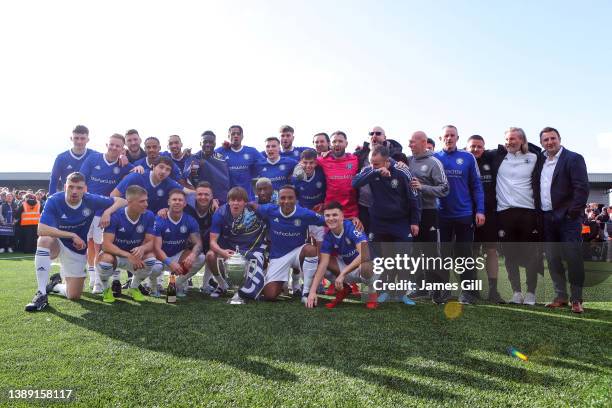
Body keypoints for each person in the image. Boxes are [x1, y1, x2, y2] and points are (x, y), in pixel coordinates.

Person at [25, 172, 127, 312]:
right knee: (44, 239)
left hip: (76, 249)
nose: (74, 191)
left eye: (79, 188)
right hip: (57, 242)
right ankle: (41, 293)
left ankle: (55, 286)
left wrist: (107, 212)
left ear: (84, 189)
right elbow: (41, 229)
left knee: (74, 295)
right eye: (71, 187)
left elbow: (122, 201)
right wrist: (71, 234)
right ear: (65, 187)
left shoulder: (91, 199)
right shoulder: (54, 200)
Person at [352, 144, 421, 305]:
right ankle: (384, 291)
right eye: (371, 163)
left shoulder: (402, 171)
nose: (372, 166)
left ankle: (402, 294)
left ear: (387, 161)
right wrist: (375, 171)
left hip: (401, 222)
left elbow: (414, 197)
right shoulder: (371, 169)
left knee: (402, 258)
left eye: (376, 164)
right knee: (383, 259)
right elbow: (355, 183)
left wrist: (415, 221)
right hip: (379, 222)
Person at [535, 127, 589, 313]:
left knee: (573, 257)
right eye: (546, 140)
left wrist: (572, 213)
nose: (550, 142)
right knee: (552, 258)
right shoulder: (540, 160)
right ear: (541, 143)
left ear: (559, 139)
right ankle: (560, 296)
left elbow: (581, 188)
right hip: (547, 217)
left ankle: (577, 299)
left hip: (568, 219)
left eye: (553, 138)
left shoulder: (573, 158)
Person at [434, 125, 485, 305]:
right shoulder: (434, 158)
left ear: (457, 138)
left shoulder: (468, 157)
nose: (449, 138)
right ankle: (442, 292)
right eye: (446, 136)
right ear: (440, 138)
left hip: (464, 214)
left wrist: (480, 210)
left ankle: (469, 293)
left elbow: (477, 186)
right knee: (442, 255)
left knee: (465, 254)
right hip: (441, 215)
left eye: (452, 135)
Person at [493, 128, 543, 305]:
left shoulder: (536, 157)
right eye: (506, 139)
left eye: (512, 139)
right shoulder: (498, 156)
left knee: (531, 255)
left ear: (522, 140)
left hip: (528, 212)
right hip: (504, 213)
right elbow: (477, 152)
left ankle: (531, 293)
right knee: (509, 255)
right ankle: (516, 293)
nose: (508, 142)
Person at [80, 133, 135, 293]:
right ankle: (91, 277)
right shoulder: (93, 159)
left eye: (118, 146)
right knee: (87, 245)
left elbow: (138, 171)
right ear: (106, 144)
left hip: (104, 213)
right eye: (112, 144)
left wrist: (135, 166)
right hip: (86, 211)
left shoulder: (124, 164)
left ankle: (98, 281)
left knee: (100, 247)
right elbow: (81, 181)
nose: (114, 147)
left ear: (122, 149)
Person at [252, 185, 324, 302]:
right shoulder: (270, 210)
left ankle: (305, 292)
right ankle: (282, 283)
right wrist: (245, 203)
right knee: (270, 295)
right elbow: (255, 206)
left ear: (296, 199)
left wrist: (349, 220)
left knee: (311, 250)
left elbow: (328, 221)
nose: (286, 201)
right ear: (278, 199)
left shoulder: (304, 213)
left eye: (290, 198)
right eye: (283, 198)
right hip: (278, 256)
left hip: (298, 253)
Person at [305, 201, 378, 309]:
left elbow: (365, 254)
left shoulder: (352, 227)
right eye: (327, 215)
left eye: (335, 215)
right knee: (321, 262)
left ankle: (371, 292)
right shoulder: (328, 237)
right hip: (350, 268)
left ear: (342, 216)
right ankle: (344, 289)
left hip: (370, 266)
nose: (331, 218)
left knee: (366, 266)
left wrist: (343, 273)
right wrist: (312, 292)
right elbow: (323, 264)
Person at [96, 185, 159, 303]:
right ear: (129, 202)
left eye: (146, 200)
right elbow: (106, 245)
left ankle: (133, 288)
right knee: (105, 261)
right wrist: (128, 255)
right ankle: (106, 289)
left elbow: (151, 242)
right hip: (115, 256)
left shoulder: (149, 215)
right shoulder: (115, 216)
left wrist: (143, 248)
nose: (146, 204)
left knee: (150, 259)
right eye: (142, 201)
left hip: (134, 257)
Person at [407, 131, 449, 299]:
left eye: (412, 142)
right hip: (411, 214)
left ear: (423, 143)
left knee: (431, 252)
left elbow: (445, 189)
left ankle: (439, 289)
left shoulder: (434, 162)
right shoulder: (408, 162)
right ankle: (421, 287)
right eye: (409, 142)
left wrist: (423, 187)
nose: (410, 145)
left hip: (429, 212)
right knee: (414, 252)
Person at [207, 187, 268, 301]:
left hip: (251, 249)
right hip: (229, 249)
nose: (235, 203)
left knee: (262, 258)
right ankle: (222, 285)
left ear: (245, 202)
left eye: (239, 200)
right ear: (228, 201)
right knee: (210, 255)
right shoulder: (220, 213)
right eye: (233, 200)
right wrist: (222, 252)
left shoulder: (254, 211)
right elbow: (212, 242)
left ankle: (253, 286)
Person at [465, 134, 504, 303]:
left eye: (479, 146)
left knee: (491, 251)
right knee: (471, 252)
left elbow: (503, 149)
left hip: (490, 214)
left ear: (484, 147)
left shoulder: (490, 159)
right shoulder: (462, 161)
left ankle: (493, 291)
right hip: (467, 214)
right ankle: (471, 290)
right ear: (466, 148)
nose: (476, 149)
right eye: (472, 146)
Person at [354, 126, 407, 234]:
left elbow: (407, 186)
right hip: (364, 205)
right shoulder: (360, 153)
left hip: (388, 210)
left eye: (378, 133)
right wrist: (327, 153)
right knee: (367, 240)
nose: (374, 136)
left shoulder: (398, 155)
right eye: (371, 133)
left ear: (385, 137)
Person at [152, 189, 206, 297]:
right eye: (174, 199)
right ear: (168, 202)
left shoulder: (190, 220)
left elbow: (198, 244)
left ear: (185, 203)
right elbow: (156, 248)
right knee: (154, 267)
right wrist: (169, 263)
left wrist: (192, 255)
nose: (177, 202)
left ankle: (175, 284)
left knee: (200, 258)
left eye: (180, 200)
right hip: (160, 257)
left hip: (178, 256)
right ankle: (153, 286)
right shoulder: (159, 220)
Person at [112, 156, 194, 215]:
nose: (163, 171)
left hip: (150, 221)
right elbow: (113, 195)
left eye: (167, 170)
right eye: (161, 167)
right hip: (127, 216)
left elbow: (189, 192)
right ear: (153, 167)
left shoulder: (168, 182)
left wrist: (204, 194)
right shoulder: (136, 176)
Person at [316, 131, 360, 220]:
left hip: (351, 213)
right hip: (331, 212)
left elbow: (374, 153)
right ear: (330, 144)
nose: (337, 144)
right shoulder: (322, 160)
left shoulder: (355, 158)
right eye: (334, 142)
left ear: (346, 144)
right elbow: (306, 162)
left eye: (340, 141)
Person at [183, 182, 216, 294]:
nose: (203, 197)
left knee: (212, 251)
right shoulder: (187, 207)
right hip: (189, 242)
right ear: (195, 195)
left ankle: (206, 284)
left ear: (212, 196)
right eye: (200, 194)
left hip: (207, 241)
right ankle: (182, 280)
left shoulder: (216, 210)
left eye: (206, 194)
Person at [184, 131, 231, 204]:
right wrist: (191, 170)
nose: (208, 145)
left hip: (222, 200)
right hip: (202, 201)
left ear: (215, 144)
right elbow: (187, 174)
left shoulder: (222, 158)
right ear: (200, 143)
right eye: (205, 142)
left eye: (211, 142)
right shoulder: (194, 157)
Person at [215, 125, 261, 199]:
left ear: (242, 136)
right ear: (228, 136)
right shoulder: (221, 151)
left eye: (238, 134)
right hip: (229, 200)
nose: (236, 136)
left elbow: (266, 162)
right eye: (233, 134)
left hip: (248, 199)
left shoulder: (252, 151)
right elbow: (207, 155)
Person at [49, 125, 97, 194]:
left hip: (88, 199)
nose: (79, 141)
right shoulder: (61, 158)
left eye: (82, 138)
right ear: (71, 138)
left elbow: (108, 160)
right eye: (76, 138)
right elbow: (54, 181)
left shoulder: (95, 156)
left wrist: (118, 159)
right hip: (68, 199)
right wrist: (51, 201)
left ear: (88, 139)